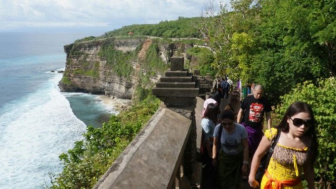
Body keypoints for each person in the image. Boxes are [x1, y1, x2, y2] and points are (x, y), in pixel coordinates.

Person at [248, 102, 318, 189]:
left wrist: (311, 186)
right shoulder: (274, 135)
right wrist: (251, 176)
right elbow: (258, 155)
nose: (303, 127)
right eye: (298, 122)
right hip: (271, 185)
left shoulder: (309, 142)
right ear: (288, 119)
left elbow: (308, 168)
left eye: (308, 123)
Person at [212, 110, 249, 189]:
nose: (227, 127)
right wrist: (214, 157)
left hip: (237, 159)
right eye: (224, 124)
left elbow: (245, 146)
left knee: (236, 182)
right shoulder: (218, 129)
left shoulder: (241, 129)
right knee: (223, 179)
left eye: (229, 124)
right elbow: (215, 144)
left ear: (234, 120)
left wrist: (245, 163)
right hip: (224, 159)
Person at [237, 84, 272, 158]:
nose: (259, 95)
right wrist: (238, 124)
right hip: (247, 128)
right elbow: (240, 111)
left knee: (256, 147)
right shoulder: (247, 99)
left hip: (257, 129)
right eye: (257, 93)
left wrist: (269, 129)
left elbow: (268, 116)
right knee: (247, 146)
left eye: (261, 93)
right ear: (254, 91)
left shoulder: (265, 101)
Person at [201, 103, 220, 189]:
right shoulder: (206, 122)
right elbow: (207, 140)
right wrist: (211, 155)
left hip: (214, 147)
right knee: (209, 169)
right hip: (210, 149)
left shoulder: (210, 120)